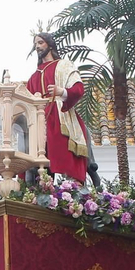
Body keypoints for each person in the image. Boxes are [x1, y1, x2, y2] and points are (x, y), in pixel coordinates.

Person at [25, 32, 91, 183]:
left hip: (59, 115)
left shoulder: (63, 65)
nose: (37, 47)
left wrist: (62, 92)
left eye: (40, 42)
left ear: (49, 44)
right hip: (39, 119)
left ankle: (73, 187)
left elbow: (78, 89)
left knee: (63, 150)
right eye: (36, 44)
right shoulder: (33, 77)